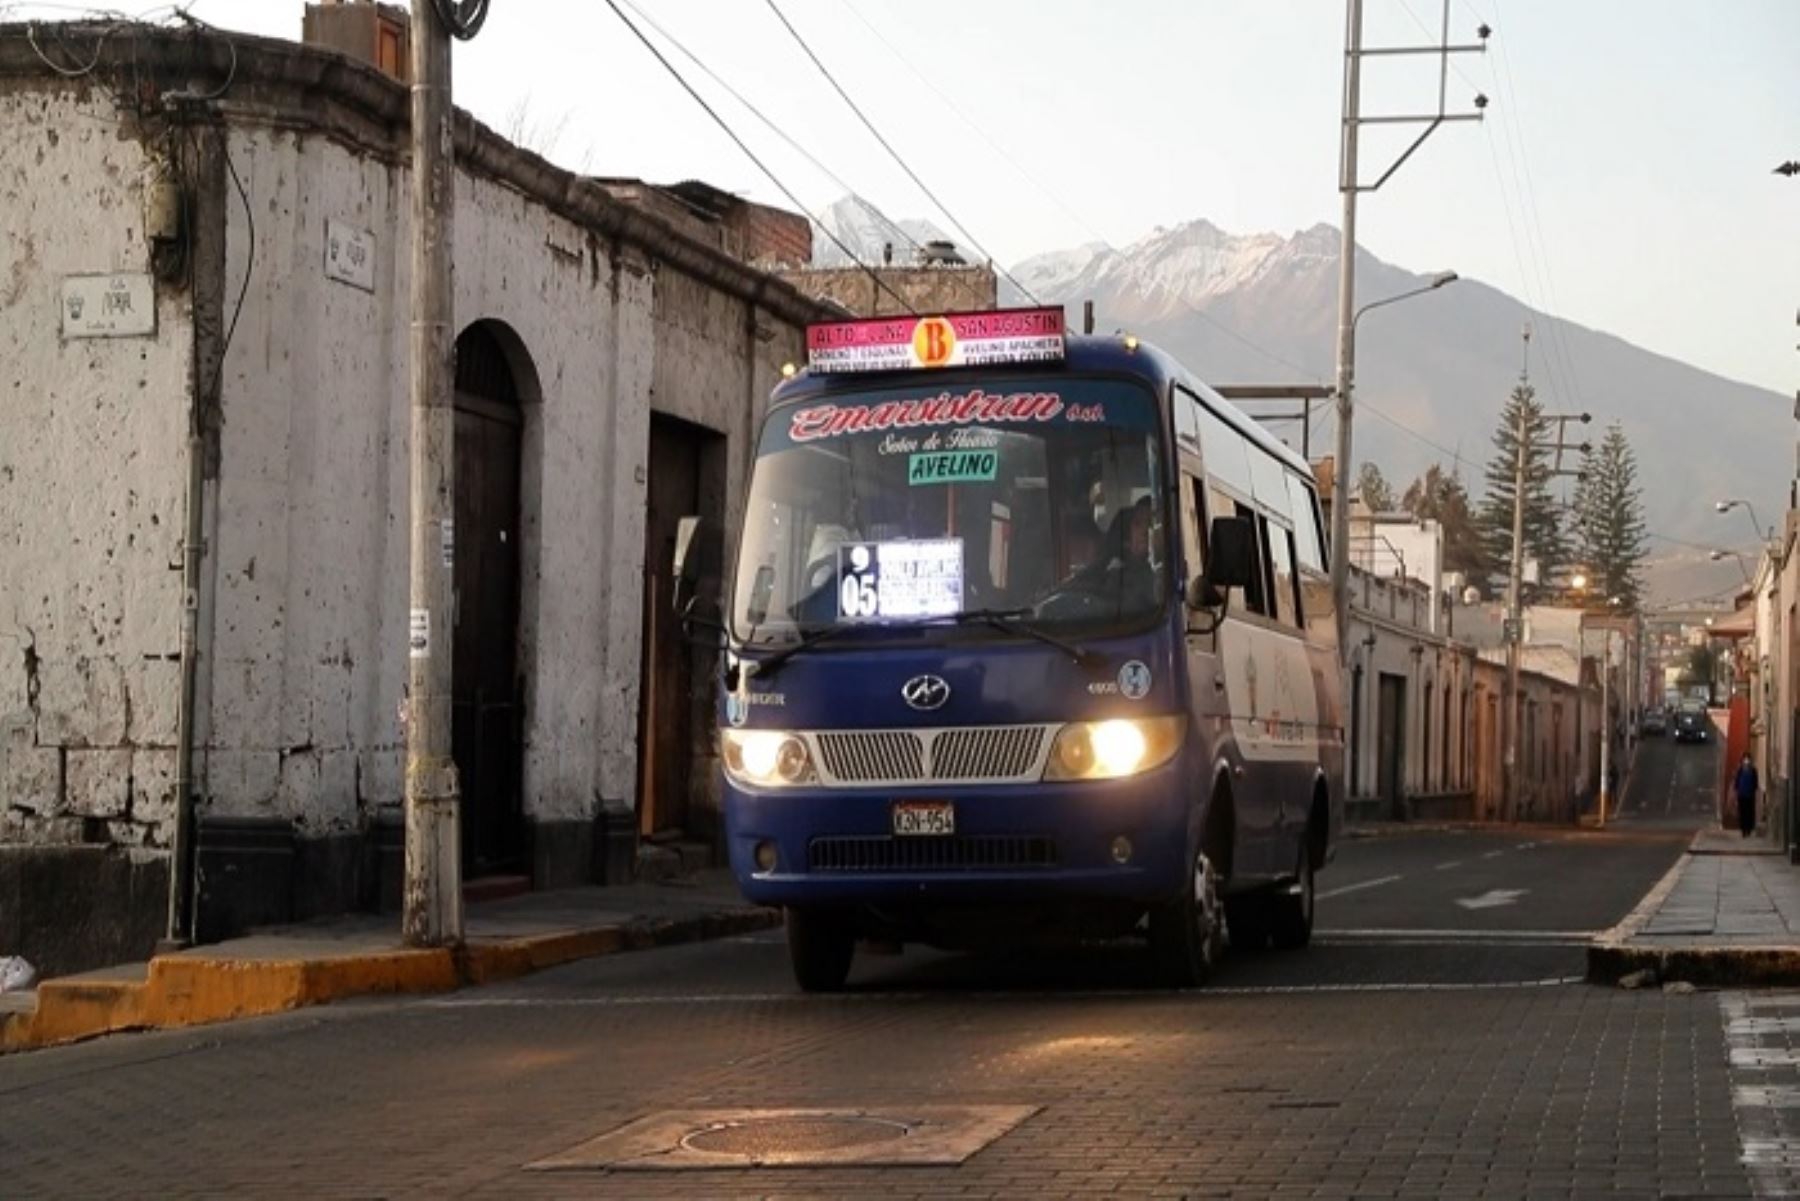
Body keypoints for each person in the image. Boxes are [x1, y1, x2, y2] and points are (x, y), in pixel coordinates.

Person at [1734, 753, 1759, 838]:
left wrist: (1753, 791)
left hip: (1750, 795)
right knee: (1742, 812)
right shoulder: (1740, 770)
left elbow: (1755, 783)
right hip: (1741, 795)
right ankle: (1743, 830)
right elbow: (1737, 782)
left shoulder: (1753, 770)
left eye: (1747, 759)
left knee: (1749, 812)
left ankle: (1748, 829)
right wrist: (1736, 792)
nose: (1746, 761)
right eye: (1745, 759)